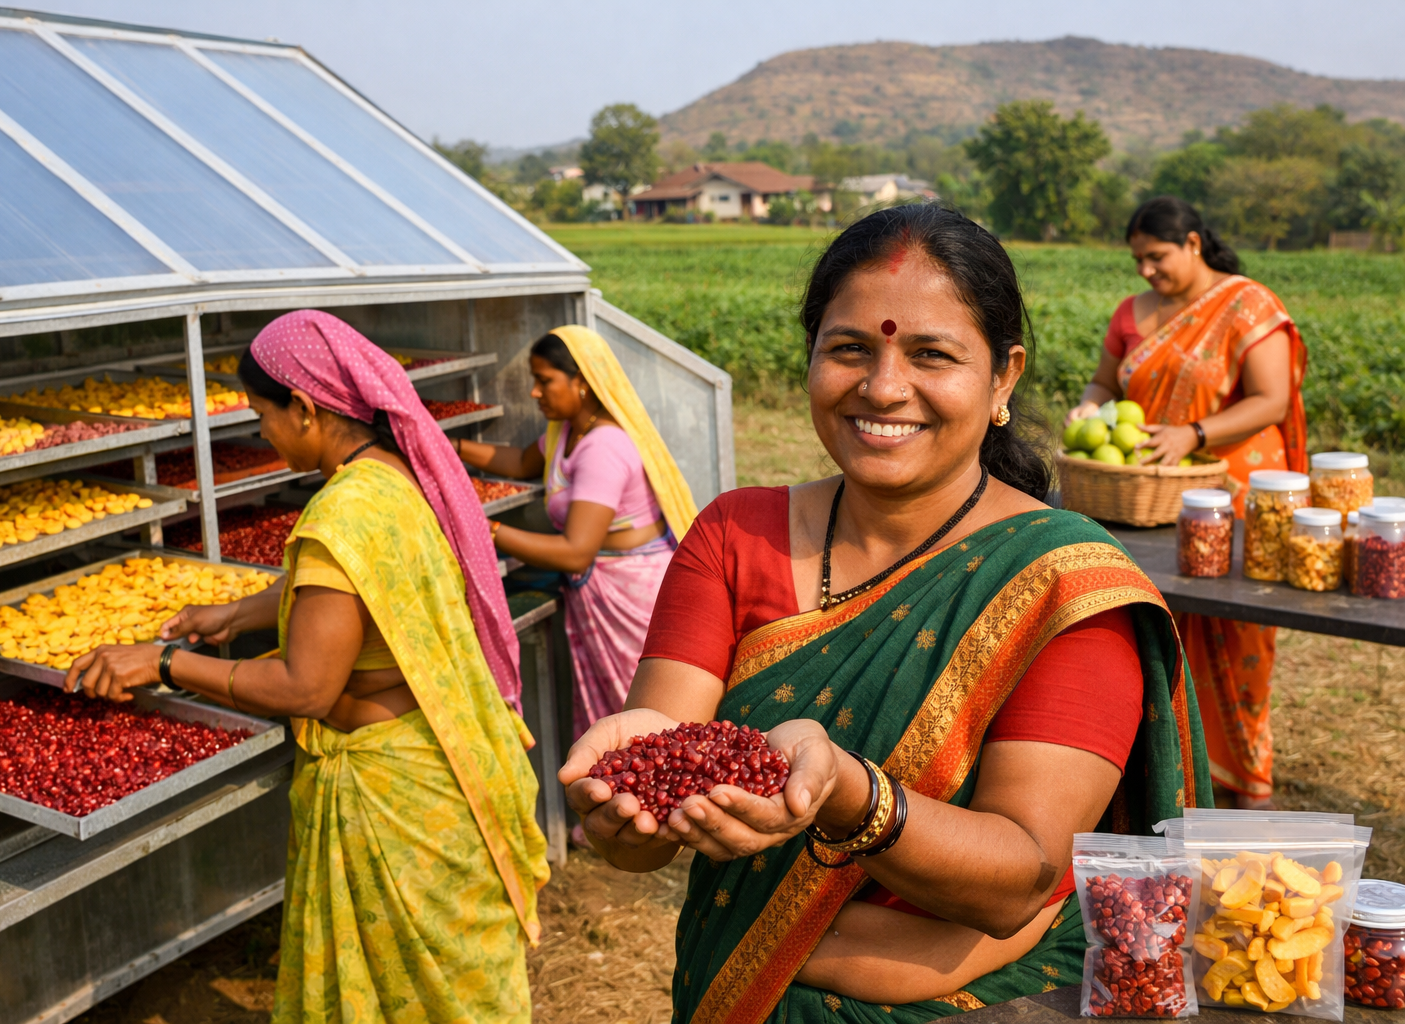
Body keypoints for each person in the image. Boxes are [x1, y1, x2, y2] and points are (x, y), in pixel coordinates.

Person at [559, 205, 1211, 1023]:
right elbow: (656, 789)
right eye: (849, 350)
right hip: (734, 988)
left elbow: (1024, 878)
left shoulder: (1058, 582)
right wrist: (622, 807)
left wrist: (846, 791)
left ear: (1003, 376)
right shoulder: (734, 535)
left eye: (931, 354)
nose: (883, 387)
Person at [63, 310, 548, 1024]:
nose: (259, 430)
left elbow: (307, 687)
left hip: (390, 797)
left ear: (306, 408)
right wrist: (231, 615)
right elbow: (359, 588)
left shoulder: (338, 514)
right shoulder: (393, 476)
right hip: (436, 760)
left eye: (262, 412)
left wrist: (165, 664)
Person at [1066, 196, 1308, 809]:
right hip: (1148, 491)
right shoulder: (1131, 312)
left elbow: (1271, 400)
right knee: (1153, 624)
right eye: (1137, 260)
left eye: (1157, 256)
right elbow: (1105, 379)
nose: (1146, 271)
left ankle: (1242, 783)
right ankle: (1164, 777)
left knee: (1236, 632)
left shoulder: (1247, 304)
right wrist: (1090, 406)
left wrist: (1193, 434)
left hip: (1233, 489)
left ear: (1194, 243)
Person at [454, 325, 697, 740]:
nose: (534, 392)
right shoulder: (568, 432)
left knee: (650, 729)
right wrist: (449, 449)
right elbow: (520, 463)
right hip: (603, 591)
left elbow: (574, 552)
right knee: (625, 725)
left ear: (581, 382)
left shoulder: (602, 448)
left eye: (544, 381)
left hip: (631, 593)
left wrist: (482, 527)